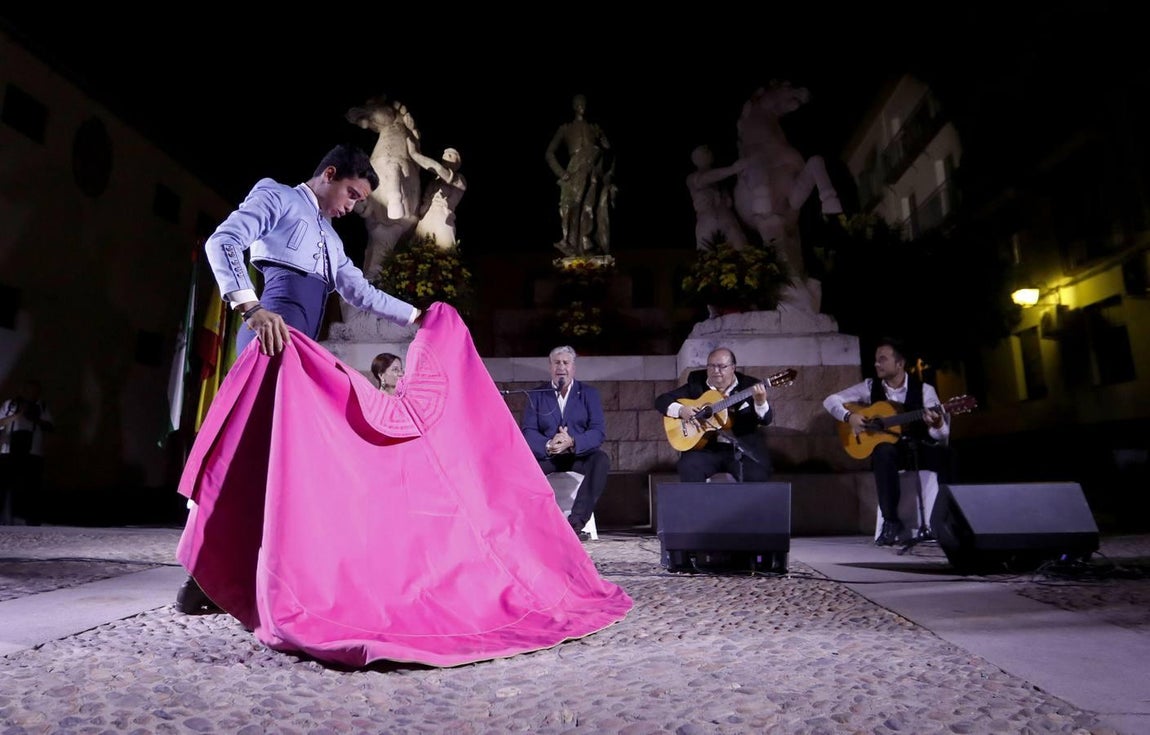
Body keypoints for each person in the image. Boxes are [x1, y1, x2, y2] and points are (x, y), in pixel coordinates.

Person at [177, 142, 424, 614]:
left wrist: (418, 315)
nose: (352, 207)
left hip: (300, 356)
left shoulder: (332, 240)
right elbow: (221, 242)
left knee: (278, 466)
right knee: (245, 456)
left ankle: (248, 579)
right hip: (269, 343)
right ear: (329, 174)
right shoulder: (276, 196)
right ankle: (200, 577)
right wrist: (250, 308)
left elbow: (360, 291)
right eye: (351, 194)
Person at [822, 338, 952, 547]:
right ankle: (891, 522)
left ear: (899, 364)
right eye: (876, 360)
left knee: (947, 456)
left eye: (882, 359)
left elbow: (941, 436)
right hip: (893, 452)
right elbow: (830, 401)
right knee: (883, 452)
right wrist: (850, 417)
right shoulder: (870, 386)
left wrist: (936, 424)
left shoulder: (925, 390)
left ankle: (946, 521)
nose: (876, 364)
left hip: (918, 447)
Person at [520, 345, 609, 541]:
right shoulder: (537, 395)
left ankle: (575, 524)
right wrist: (548, 444)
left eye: (565, 363)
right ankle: (533, 524)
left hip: (578, 454)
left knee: (600, 460)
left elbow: (597, 431)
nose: (561, 367)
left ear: (573, 367)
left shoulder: (588, 394)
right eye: (557, 363)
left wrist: (572, 441)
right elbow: (528, 431)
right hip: (550, 454)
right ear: (550, 367)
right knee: (521, 468)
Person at [655, 348, 774, 483]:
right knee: (688, 466)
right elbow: (661, 401)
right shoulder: (697, 383)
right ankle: (698, 504)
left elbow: (766, 420)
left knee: (758, 473)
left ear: (733, 368)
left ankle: (747, 505)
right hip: (706, 450)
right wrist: (681, 410)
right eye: (711, 366)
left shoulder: (750, 385)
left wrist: (760, 402)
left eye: (722, 366)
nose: (716, 371)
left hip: (741, 449)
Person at [545, 93, 614, 257]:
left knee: (589, 207)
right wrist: (562, 173)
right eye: (577, 102)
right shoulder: (566, 128)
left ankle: (587, 242)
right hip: (575, 169)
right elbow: (549, 153)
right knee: (572, 206)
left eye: (583, 102)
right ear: (573, 106)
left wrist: (603, 141)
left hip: (593, 170)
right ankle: (570, 243)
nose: (580, 104)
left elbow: (608, 151)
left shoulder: (594, 128)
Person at [0, 379, 54, 525]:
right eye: (28, 390)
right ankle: (5, 519)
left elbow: (50, 427)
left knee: (32, 488)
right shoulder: (9, 404)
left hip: (33, 452)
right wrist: (16, 415)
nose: (31, 394)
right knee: (5, 485)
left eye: (35, 391)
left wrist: (35, 419)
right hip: (8, 451)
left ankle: (31, 521)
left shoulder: (41, 406)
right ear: (21, 390)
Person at [686, 144, 750, 251]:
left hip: (726, 218)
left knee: (741, 247)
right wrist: (733, 169)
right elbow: (705, 178)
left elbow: (730, 202)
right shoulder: (692, 177)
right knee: (707, 254)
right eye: (702, 154)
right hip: (707, 220)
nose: (706, 155)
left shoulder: (721, 183)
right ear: (695, 159)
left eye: (707, 153)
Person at [408, 138, 467, 248]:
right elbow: (425, 200)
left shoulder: (460, 180)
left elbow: (438, 168)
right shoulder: (434, 181)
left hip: (443, 217)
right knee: (416, 249)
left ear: (457, 163)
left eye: (450, 156)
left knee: (446, 250)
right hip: (427, 217)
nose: (446, 159)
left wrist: (414, 154)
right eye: (444, 157)